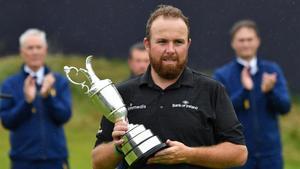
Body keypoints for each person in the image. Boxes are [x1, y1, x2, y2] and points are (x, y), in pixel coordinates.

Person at [92, 5, 248, 169]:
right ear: (147, 44)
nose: (170, 50)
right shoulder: (123, 94)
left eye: (178, 42)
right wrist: (117, 147)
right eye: (162, 41)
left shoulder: (211, 90)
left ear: (188, 44)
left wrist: (188, 155)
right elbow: (98, 163)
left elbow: (238, 153)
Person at [213, 20, 291, 169]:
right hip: (238, 155)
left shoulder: (272, 70)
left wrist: (270, 92)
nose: (246, 44)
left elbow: (285, 108)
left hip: (270, 155)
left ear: (258, 41)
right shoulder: (222, 75)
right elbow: (219, 113)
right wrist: (245, 91)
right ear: (233, 43)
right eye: (241, 40)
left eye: (250, 39)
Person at [0, 28, 72, 169]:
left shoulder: (58, 81)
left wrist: (48, 97)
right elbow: (7, 121)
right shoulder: (10, 84)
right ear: (22, 52)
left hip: (55, 160)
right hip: (22, 161)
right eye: (30, 48)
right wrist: (26, 102)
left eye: (38, 47)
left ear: (45, 50)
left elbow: (64, 116)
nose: (35, 52)